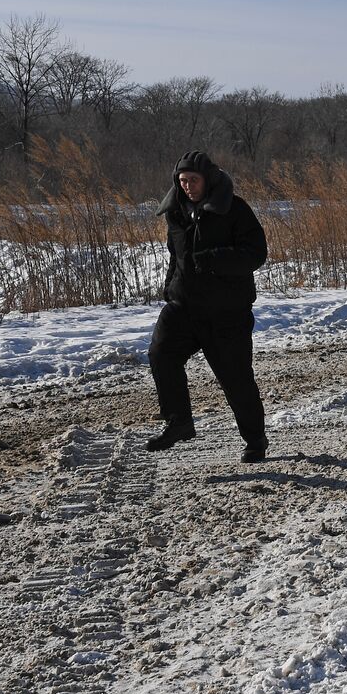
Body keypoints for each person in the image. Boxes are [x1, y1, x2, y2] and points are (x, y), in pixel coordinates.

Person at [146, 150, 271, 463]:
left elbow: (255, 253)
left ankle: (255, 439)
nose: (187, 186)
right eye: (182, 180)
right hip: (184, 306)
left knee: (236, 379)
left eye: (193, 180)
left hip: (226, 312)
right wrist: (170, 287)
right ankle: (180, 422)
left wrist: (216, 260)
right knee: (161, 353)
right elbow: (176, 256)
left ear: (209, 179)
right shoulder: (175, 211)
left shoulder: (234, 209)